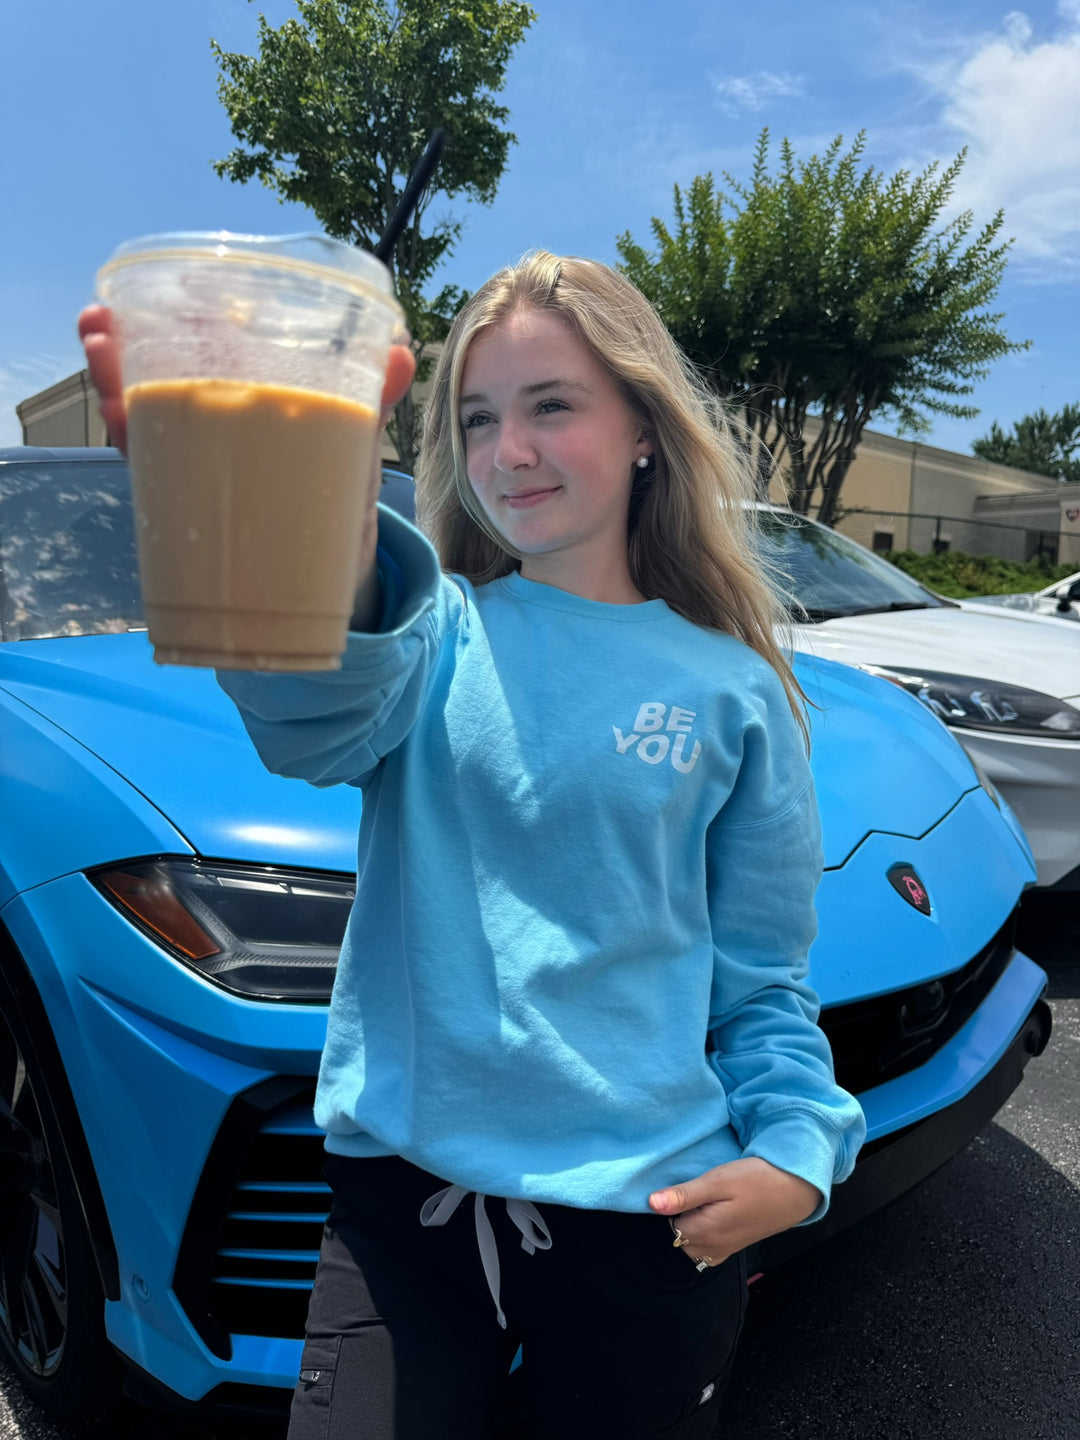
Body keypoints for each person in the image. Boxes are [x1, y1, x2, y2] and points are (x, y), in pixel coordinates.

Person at [78, 252, 866, 1440]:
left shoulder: (734, 689)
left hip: (644, 1220)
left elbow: (758, 984)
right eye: (480, 417)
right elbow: (313, 723)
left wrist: (801, 1153)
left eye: (553, 405)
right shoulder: (428, 627)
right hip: (401, 1220)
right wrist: (295, 547)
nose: (510, 452)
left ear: (645, 424)